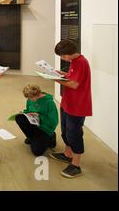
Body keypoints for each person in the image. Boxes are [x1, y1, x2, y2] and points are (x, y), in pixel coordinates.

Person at [50, 39, 92, 178]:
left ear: (67, 54)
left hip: (77, 105)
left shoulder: (81, 62)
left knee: (74, 134)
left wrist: (54, 79)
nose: (62, 58)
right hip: (67, 102)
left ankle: (76, 165)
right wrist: (61, 74)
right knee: (65, 131)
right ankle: (68, 154)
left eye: (61, 56)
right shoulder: (74, 62)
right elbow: (71, 77)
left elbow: (74, 85)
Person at [15, 84, 58, 156]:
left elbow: (53, 121)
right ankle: (32, 137)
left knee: (37, 152)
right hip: (35, 124)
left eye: (31, 98)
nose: (29, 100)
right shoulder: (30, 99)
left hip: (45, 128)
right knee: (19, 118)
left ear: (37, 94)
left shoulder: (49, 102)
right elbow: (28, 110)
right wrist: (24, 113)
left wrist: (39, 116)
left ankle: (51, 137)